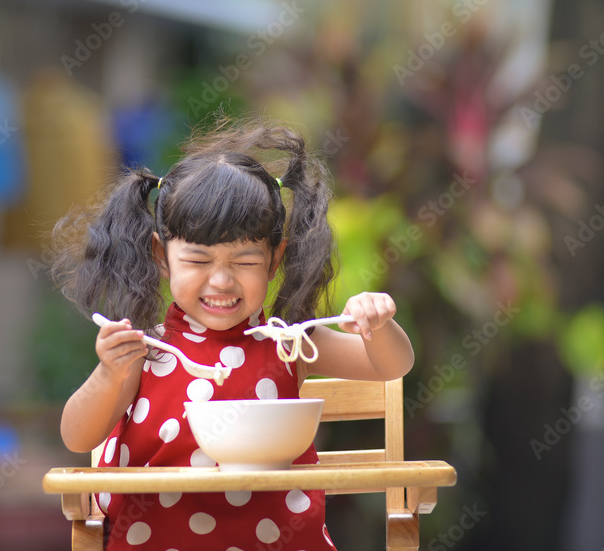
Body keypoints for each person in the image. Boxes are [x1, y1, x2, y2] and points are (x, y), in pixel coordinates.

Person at [52, 118, 415, 550]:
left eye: (244, 261)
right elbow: (77, 437)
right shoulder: (147, 351)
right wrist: (108, 374)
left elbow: (393, 366)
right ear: (161, 257)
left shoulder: (290, 342)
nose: (221, 282)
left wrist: (378, 326)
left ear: (274, 259)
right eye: (199, 261)